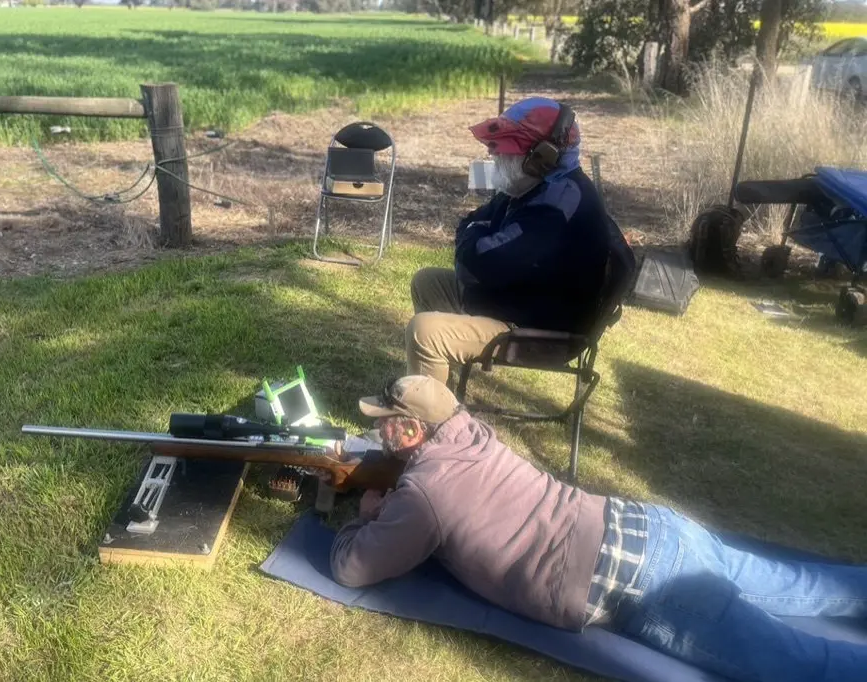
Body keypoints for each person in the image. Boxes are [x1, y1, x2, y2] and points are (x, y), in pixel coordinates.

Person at [329, 374, 867, 682]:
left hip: (647, 584)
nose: (377, 427)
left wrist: (369, 513)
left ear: (410, 429)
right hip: (651, 527)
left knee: (803, 664)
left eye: (384, 421)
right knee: (803, 586)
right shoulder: (472, 435)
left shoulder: (424, 495)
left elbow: (353, 568)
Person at [406, 97, 628, 386]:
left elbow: (476, 265)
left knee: (425, 331)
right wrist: (474, 238)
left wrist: (474, 238)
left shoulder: (556, 207)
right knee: (428, 281)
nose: (495, 155)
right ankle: (435, 391)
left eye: (507, 150)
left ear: (542, 156)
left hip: (538, 333)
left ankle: (427, 423)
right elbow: (473, 228)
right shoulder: (533, 185)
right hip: (518, 303)